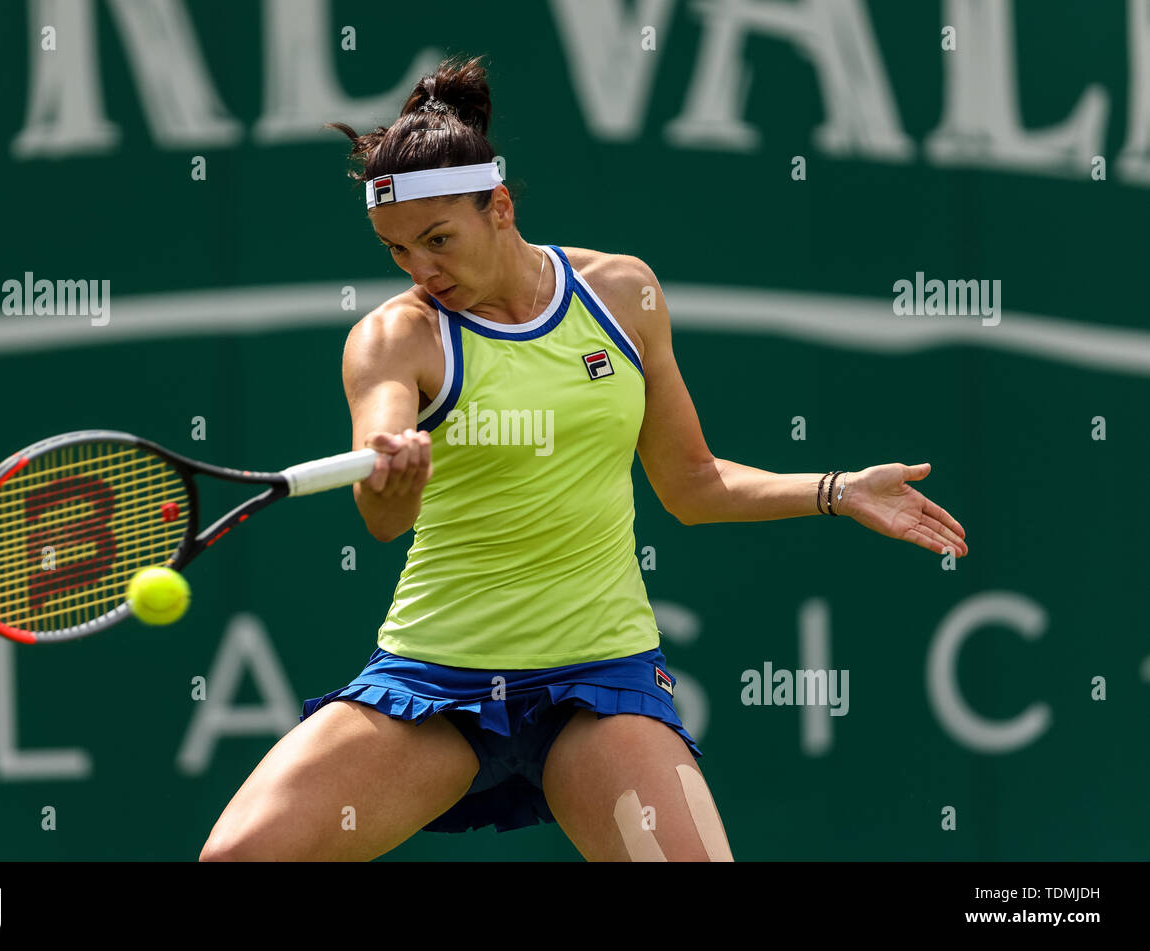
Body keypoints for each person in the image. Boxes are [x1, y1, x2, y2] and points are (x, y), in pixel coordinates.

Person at [199, 54, 968, 862]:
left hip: (599, 681)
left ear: (497, 205)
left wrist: (838, 488)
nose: (422, 270)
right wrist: (396, 469)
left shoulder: (622, 294)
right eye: (397, 251)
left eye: (437, 239)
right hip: (438, 683)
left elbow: (693, 484)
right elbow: (382, 518)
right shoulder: (397, 337)